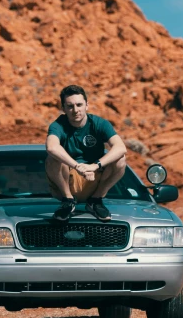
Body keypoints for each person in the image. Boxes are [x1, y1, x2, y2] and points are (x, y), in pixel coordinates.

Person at [45, 85, 127, 222]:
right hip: (68, 181)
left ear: (87, 105)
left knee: (121, 159)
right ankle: (68, 201)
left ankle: (96, 200)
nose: (75, 110)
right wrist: (78, 167)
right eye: (70, 106)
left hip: (95, 179)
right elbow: (52, 147)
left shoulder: (99, 124)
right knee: (52, 158)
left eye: (79, 105)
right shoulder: (57, 125)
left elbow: (121, 147)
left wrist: (94, 166)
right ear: (63, 108)